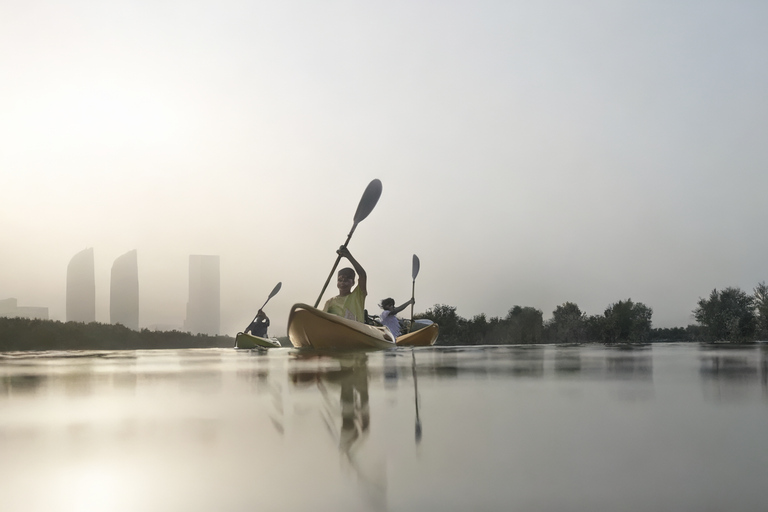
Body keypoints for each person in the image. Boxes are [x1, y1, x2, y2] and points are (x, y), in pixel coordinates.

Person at [323, 246, 367, 322]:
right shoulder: (330, 302)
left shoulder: (358, 296)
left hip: (354, 328)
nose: (342, 282)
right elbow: (322, 319)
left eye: (346, 280)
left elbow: (362, 275)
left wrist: (348, 256)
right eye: (340, 280)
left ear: (353, 282)